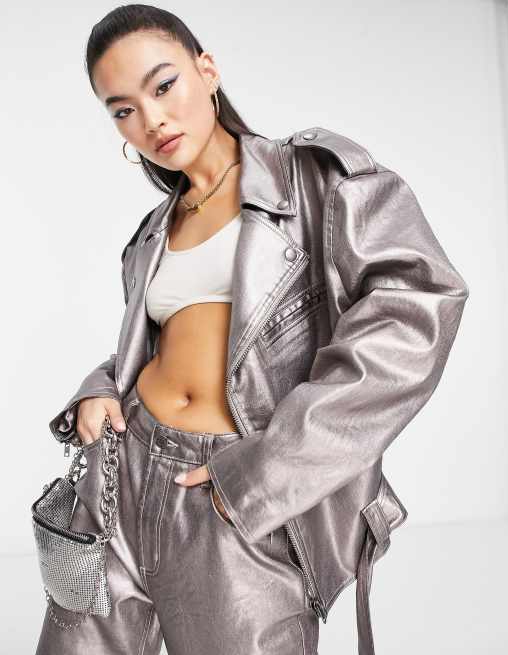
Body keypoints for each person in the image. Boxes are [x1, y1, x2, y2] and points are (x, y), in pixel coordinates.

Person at [35, 5, 469, 655]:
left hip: (229, 492)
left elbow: (417, 305)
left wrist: (268, 469)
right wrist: (100, 388)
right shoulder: (151, 234)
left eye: (163, 86)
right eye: (123, 109)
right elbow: (159, 350)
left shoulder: (314, 181)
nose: (152, 120)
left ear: (207, 70)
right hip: (116, 477)